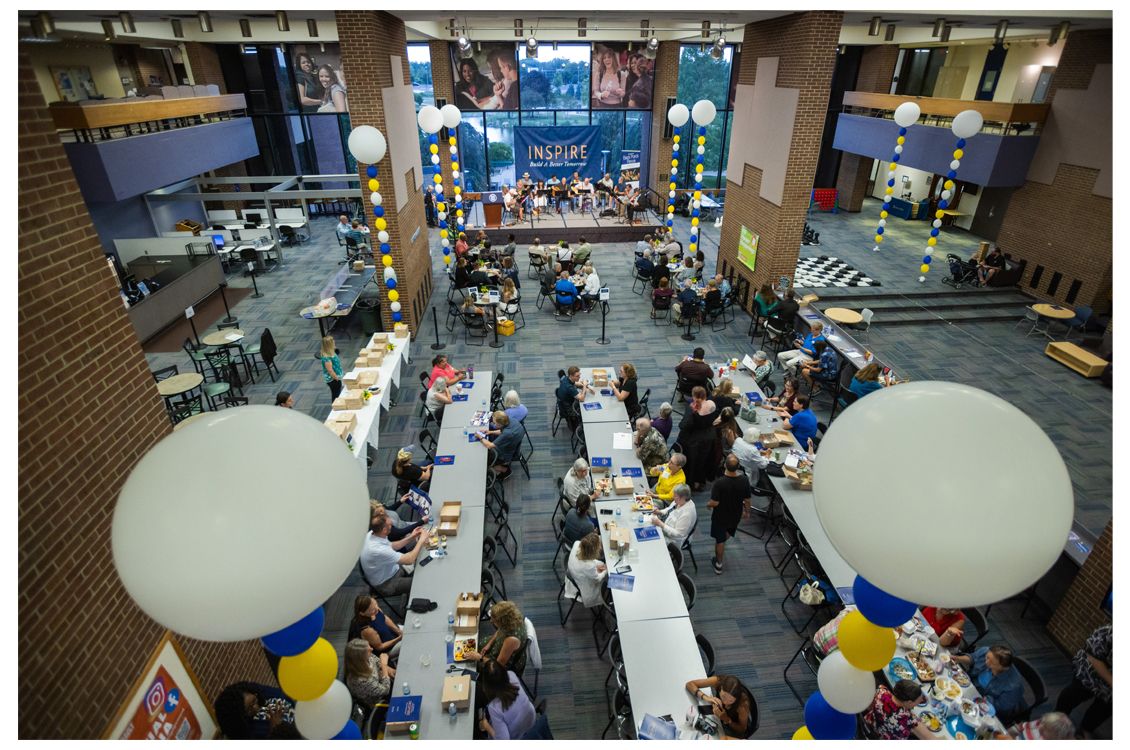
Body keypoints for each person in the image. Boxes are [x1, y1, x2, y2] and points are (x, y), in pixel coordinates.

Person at [1054, 623, 1112, 740]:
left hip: (1110, 687)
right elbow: (1093, 657)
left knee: (1103, 708)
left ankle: (1086, 729)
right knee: (1074, 695)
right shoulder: (1110, 632)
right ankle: (1057, 720)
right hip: (1090, 673)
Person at [360, 515, 431, 598]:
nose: (392, 526)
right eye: (390, 525)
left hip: (393, 569)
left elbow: (391, 546)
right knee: (425, 582)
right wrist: (421, 540)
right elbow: (410, 560)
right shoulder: (378, 550)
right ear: (384, 530)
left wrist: (411, 537)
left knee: (422, 556)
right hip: (387, 584)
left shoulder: (372, 535)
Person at [950, 645, 1025, 722]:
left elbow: (1001, 707)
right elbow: (973, 658)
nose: (987, 662)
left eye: (992, 663)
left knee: (963, 717)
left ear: (1005, 668)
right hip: (972, 683)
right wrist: (958, 659)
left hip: (986, 703)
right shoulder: (988, 651)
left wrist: (983, 698)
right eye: (987, 657)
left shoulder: (1014, 686)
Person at [707, 455, 750, 574]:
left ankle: (719, 565)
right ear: (738, 466)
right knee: (727, 534)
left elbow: (716, 502)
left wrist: (709, 504)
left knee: (720, 541)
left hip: (720, 516)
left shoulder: (720, 483)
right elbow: (747, 500)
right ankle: (721, 547)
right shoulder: (744, 480)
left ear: (725, 465)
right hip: (735, 514)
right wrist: (747, 511)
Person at [477, 659, 537, 740]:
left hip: (517, 737)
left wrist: (487, 726)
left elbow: (503, 740)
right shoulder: (511, 675)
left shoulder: (494, 708)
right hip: (530, 723)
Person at [214, 681, 296, 739]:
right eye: (249, 709)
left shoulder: (260, 692)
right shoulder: (249, 735)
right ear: (240, 717)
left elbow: (284, 697)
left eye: (254, 700)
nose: (255, 707)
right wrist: (276, 730)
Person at [684, 674, 757, 739]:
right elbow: (689, 684)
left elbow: (742, 729)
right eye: (723, 697)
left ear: (737, 699)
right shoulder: (718, 681)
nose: (725, 702)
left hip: (732, 727)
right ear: (721, 687)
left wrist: (727, 720)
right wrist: (707, 698)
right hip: (718, 719)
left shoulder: (742, 705)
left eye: (731, 701)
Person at [462, 600, 528, 672]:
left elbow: (498, 665)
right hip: (500, 644)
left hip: (502, 664)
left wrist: (480, 658)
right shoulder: (512, 619)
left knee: (471, 665)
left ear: (502, 622)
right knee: (475, 644)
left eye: (493, 620)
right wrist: (490, 644)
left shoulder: (512, 640)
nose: (490, 621)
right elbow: (500, 629)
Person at [862, 680, 939, 740]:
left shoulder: (881, 690)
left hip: (866, 728)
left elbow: (869, 707)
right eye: (918, 702)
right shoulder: (910, 720)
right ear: (909, 702)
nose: (918, 703)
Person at [677, 386, 718, 491]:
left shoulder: (692, 408)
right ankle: (699, 480)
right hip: (710, 436)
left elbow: (685, 425)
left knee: (693, 460)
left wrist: (682, 421)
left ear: (693, 395)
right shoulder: (712, 404)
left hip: (695, 438)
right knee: (703, 460)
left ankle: (691, 480)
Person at [343, 638, 394, 711]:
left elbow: (377, 662)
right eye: (368, 650)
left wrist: (390, 671)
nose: (372, 649)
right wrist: (384, 665)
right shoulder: (360, 680)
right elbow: (385, 690)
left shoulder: (366, 657)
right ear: (360, 657)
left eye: (369, 646)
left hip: (384, 679)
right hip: (381, 700)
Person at [349, 595, 403, 661]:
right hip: (389, 648)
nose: (376, 608)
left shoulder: (375, 609)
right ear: (363, 613)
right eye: (372, 609)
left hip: (392, 633)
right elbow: (380, 647)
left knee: (414, 630)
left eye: (376, 604)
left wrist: (399, 632)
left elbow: (385, 618)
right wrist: (399, 638)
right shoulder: (367, 630)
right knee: (411, 640)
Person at [476, 411, 523, 479]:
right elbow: (501, 431)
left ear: (501, 424)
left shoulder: (507, 433)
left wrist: (480, 437)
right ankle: (503, 464)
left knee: (484, 463)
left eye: (495, 423)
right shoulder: (512, 421)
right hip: (511, 446)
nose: (494, 424)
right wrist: (490, 432)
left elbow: (490, 446)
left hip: (505, 453)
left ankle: (505, 470)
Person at [567, 531, 608, 608]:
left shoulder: (577, 543)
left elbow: (590, 561)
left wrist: (601, 564)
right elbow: (597, 580)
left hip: (574, 574)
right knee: (605, 579)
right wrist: (606, 570)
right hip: (584, 585)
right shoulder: (588, 566)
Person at [651, 483, 695, 547]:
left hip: (673, 540)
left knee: (652, 543)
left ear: (683, 498)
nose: (672, 497)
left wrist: (661, 524)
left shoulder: (686, 514)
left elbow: (677, 534)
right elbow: (669, 509)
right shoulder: (680, 501)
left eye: (675, 496)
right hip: (665, 528)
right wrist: (660, 512)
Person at [556, 367, 593, 433]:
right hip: (569, 409)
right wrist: (584, 386)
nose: (579, 377)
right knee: (588, 411)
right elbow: (582, 398)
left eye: (579, 375)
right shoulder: (569, 388)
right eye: (577, 376)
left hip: (566, 402)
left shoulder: (566, 379)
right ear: (571, 376)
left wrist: (587, 385)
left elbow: (576, 384)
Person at [1001, 712, 1075, 740]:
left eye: (1046, 729)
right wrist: (1006, 733)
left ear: (1055, 736)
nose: (1039, 726)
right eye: (1042, 722)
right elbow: (1021, 727)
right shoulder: (1042, 722)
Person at [319, 336, 343, 400]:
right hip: (333, 379)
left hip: (336, 377)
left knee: (337, 393)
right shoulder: (327, 357)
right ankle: (335, 406)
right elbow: (330, 371)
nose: (334, 341)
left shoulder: (331, 352)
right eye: (332, 341)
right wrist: (337, 379)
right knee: (336, 395)